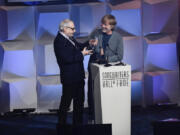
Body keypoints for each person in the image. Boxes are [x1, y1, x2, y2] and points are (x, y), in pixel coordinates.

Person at [54, 19, 94, 125]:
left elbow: (79, 47)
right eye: (72, 28)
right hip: (70, 78)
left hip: (78, 76)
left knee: (79, 103)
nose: (74, 30)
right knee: (66, 104)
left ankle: (77, 126)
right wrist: (82, 54)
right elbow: (66, 58)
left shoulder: (69, 38)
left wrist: (88, 43)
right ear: (64, 28)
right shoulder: (59, 41)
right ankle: (61, 127)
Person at [87, 14, 124, 119]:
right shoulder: (96, 32)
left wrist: (107, 59)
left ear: (112, 26)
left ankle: (109, 112)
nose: (102, 26)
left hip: (109, 67)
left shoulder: (118, 37)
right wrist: (93, 45)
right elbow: (90, 45)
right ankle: (92, 113)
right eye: (102, 23)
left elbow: (120, 56)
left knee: (106, 92)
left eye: (105, 24)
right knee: (93, 89)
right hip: (95, 64)